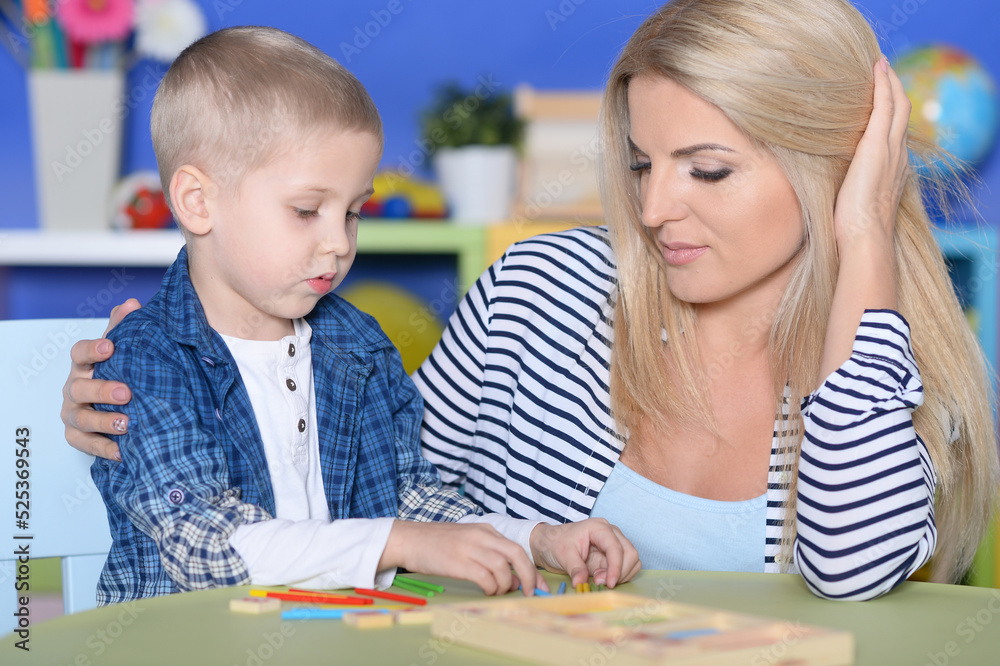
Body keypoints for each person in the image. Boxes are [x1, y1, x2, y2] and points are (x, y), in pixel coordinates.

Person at [63, 0, 998, 602]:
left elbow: (855, 568)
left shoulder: (886, 351)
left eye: (708, 170)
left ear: (828, 169)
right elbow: (365, 478)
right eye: (640, 164)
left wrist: (866, 232)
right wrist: (198, 360)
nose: (655, 206)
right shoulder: (539, 292)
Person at [78, 26, 637, 605]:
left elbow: (409, 498)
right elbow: (207, 548)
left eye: (352, 212)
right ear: (199, 202)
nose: (339, 243)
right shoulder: (147, 358)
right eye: (306, 210)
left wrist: (537, 539)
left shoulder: (355, 343)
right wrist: (397, 543)